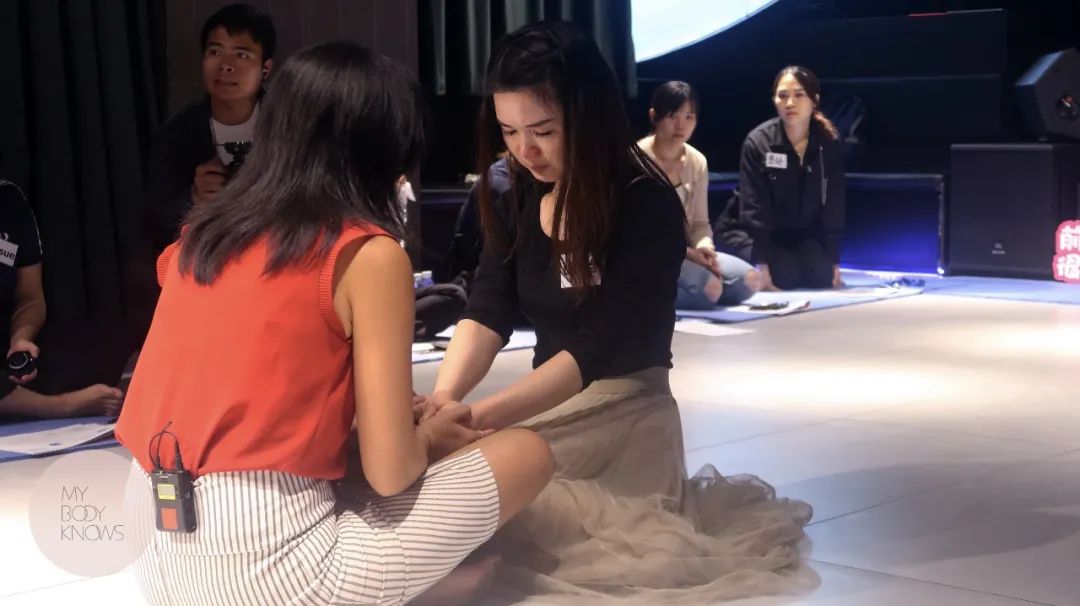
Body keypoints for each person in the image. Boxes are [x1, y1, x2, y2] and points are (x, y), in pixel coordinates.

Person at [115, 42, 552, 606]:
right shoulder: (368, 254)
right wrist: (426, 437)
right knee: (526, 454)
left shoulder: (201, 236)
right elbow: (392, 471)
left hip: (148, 541)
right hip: (266, 571)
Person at [419, 22, 812, 603]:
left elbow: (596, 345)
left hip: (626, 419)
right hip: (551, 400)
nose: (525, 150)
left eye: (543, 131)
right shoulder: (520, 192)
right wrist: (443, 401)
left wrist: (476, 417)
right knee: (432, 472)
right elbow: (489, 305)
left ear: (588, 117)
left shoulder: (644, 202)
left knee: (471, 489)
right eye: (509, 131)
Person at [144, 3, 276, 252]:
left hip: (278, 249)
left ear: (265, 69)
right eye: (215, 52)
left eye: (241, 55)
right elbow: (156, 215)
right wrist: (194, 199)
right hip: (209, 255)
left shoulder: (287, 124)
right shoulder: (178, 133)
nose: (225, 65)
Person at [0, 180, 124, 421]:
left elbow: (30, 297)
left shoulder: (9, 198)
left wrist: (21, 339)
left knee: (86, 354)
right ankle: (58, 407)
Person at [716, 65, 846, 291]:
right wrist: (761, 262)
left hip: (797, 232)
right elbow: (755, 208)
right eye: (782, 96)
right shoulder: (759, 142)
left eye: (799, 95)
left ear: (814, 100)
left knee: (821, 276)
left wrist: (834, 259)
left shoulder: (827, 143)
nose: (790, 103)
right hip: (749, 232)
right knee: (784, 276)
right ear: (774, 100)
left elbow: (833, 204)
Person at [637, 81, 762, 308]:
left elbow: (699, 224)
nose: (680, 125)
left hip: (688, 253)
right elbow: (639, 234)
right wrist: (689, 254)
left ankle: (696, 286)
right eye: (672, 116)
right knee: (709, 289)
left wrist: (705, 249)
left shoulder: (696, 162)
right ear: (654, 116)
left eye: (689, 117)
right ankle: (642, 293)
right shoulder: (635, 160)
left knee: (750, 280)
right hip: (648, 254)